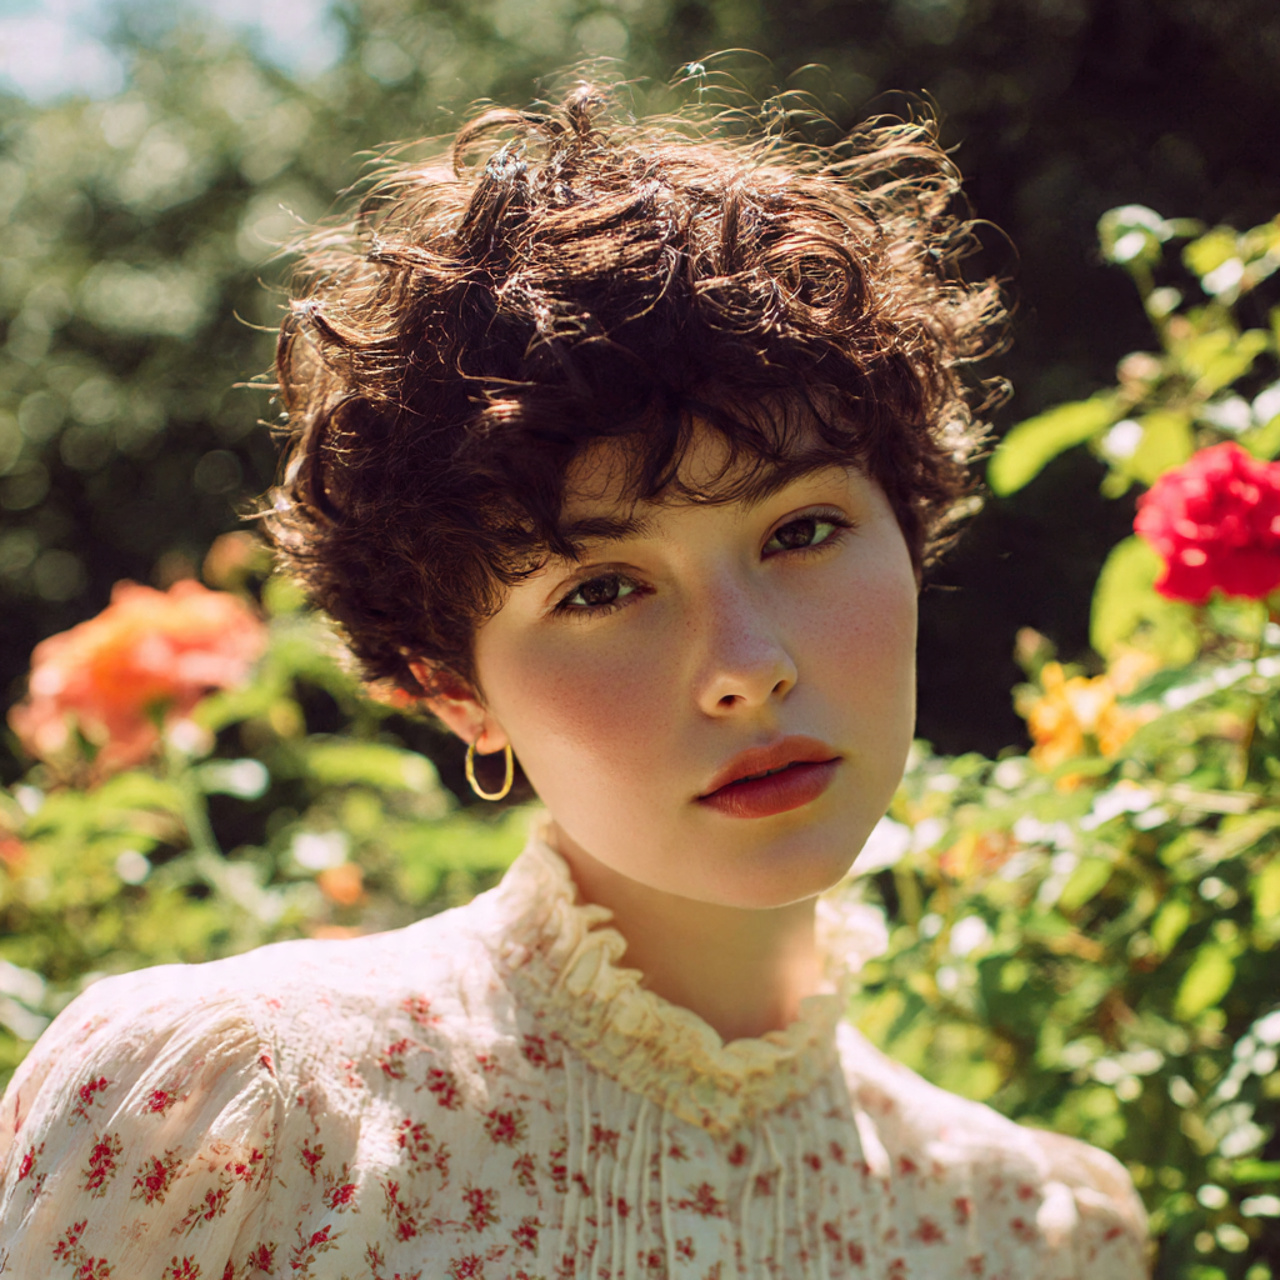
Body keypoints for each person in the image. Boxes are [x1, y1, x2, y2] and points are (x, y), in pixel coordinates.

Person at [0, 81, 1148, 1279]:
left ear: (910, 538)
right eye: (599, 589)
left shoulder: (1015, 1229)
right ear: (453, 688)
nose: (748, 668)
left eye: (801, 530)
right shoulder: (253, 1119)